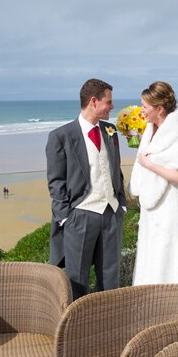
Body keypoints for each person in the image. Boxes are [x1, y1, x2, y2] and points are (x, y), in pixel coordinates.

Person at [46, 78, 126, 299]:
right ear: (93, 101)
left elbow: (115, 169)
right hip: (79, 217)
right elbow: (55, 181)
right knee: (77, 281)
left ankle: (110, 327)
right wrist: (65, 218)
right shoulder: (61, 136)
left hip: (111, 213)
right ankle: (78, 329)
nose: (112, 106)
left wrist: (121, 205)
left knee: (111, 279)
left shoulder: (110, 130)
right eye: (108, 102)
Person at [129, 81, 178, 287]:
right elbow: (153, 153)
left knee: (170, 252)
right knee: (151, 254)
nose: (141, 110)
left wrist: (150, 164)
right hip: (150, 206)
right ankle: (152, 302)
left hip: (169, 206)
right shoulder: (150, 130)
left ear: (160, 109)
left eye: (145, 107)